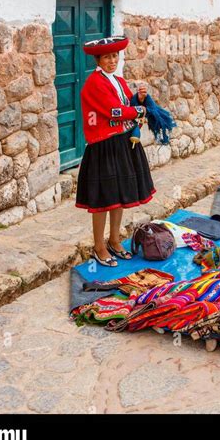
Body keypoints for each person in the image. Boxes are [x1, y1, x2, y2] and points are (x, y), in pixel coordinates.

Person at [75, 35, 156, 267]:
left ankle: (114, 240)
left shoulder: (118, 81)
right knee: (104, 198)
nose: (112, 60)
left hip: (121, 143)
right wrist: (138, 110)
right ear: (98, 59)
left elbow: (125, 105)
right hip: (103, 146)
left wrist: (137, 99)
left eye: (115, 56)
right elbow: (114, 111)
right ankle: (99, 246)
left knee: (119, 196)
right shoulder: (94, 83)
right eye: (107, 57)